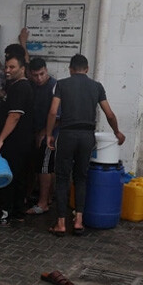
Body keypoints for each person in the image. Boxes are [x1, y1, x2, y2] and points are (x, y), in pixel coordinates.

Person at [46, 54, 125, 236]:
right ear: (87, 69)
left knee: (63, 178)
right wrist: (117, 132)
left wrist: (50, 134)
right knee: (81, 177)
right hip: (87, 136)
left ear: (71, 69)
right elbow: (110, 114)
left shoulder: (62, 84)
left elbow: (52, 112)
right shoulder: (97, 87)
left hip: (67, 135)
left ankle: (61, 223)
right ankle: (79, 221)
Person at [0, 53, 35, 226]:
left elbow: (14, 116)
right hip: (20, 142)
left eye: (12, 67)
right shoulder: (15, 86)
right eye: (6, 66)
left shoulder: (21, 87)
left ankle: (4, 216)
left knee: (8, 177)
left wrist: (0, 140)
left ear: (22, 69)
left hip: (15, 142)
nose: (7, 70)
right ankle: (17, 213)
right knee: (19, 178)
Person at [25, 58, 56, 215]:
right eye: (35, 75)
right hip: (33, 131)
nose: (39, 78)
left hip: (49, 135)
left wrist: (45, 133)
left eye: (42, 74)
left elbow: (57, 115)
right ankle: (41, 196)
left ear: (46, 70)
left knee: (45, 168)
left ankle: (43, 202)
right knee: (36, 166)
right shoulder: (31, 85)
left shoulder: (54, 87)